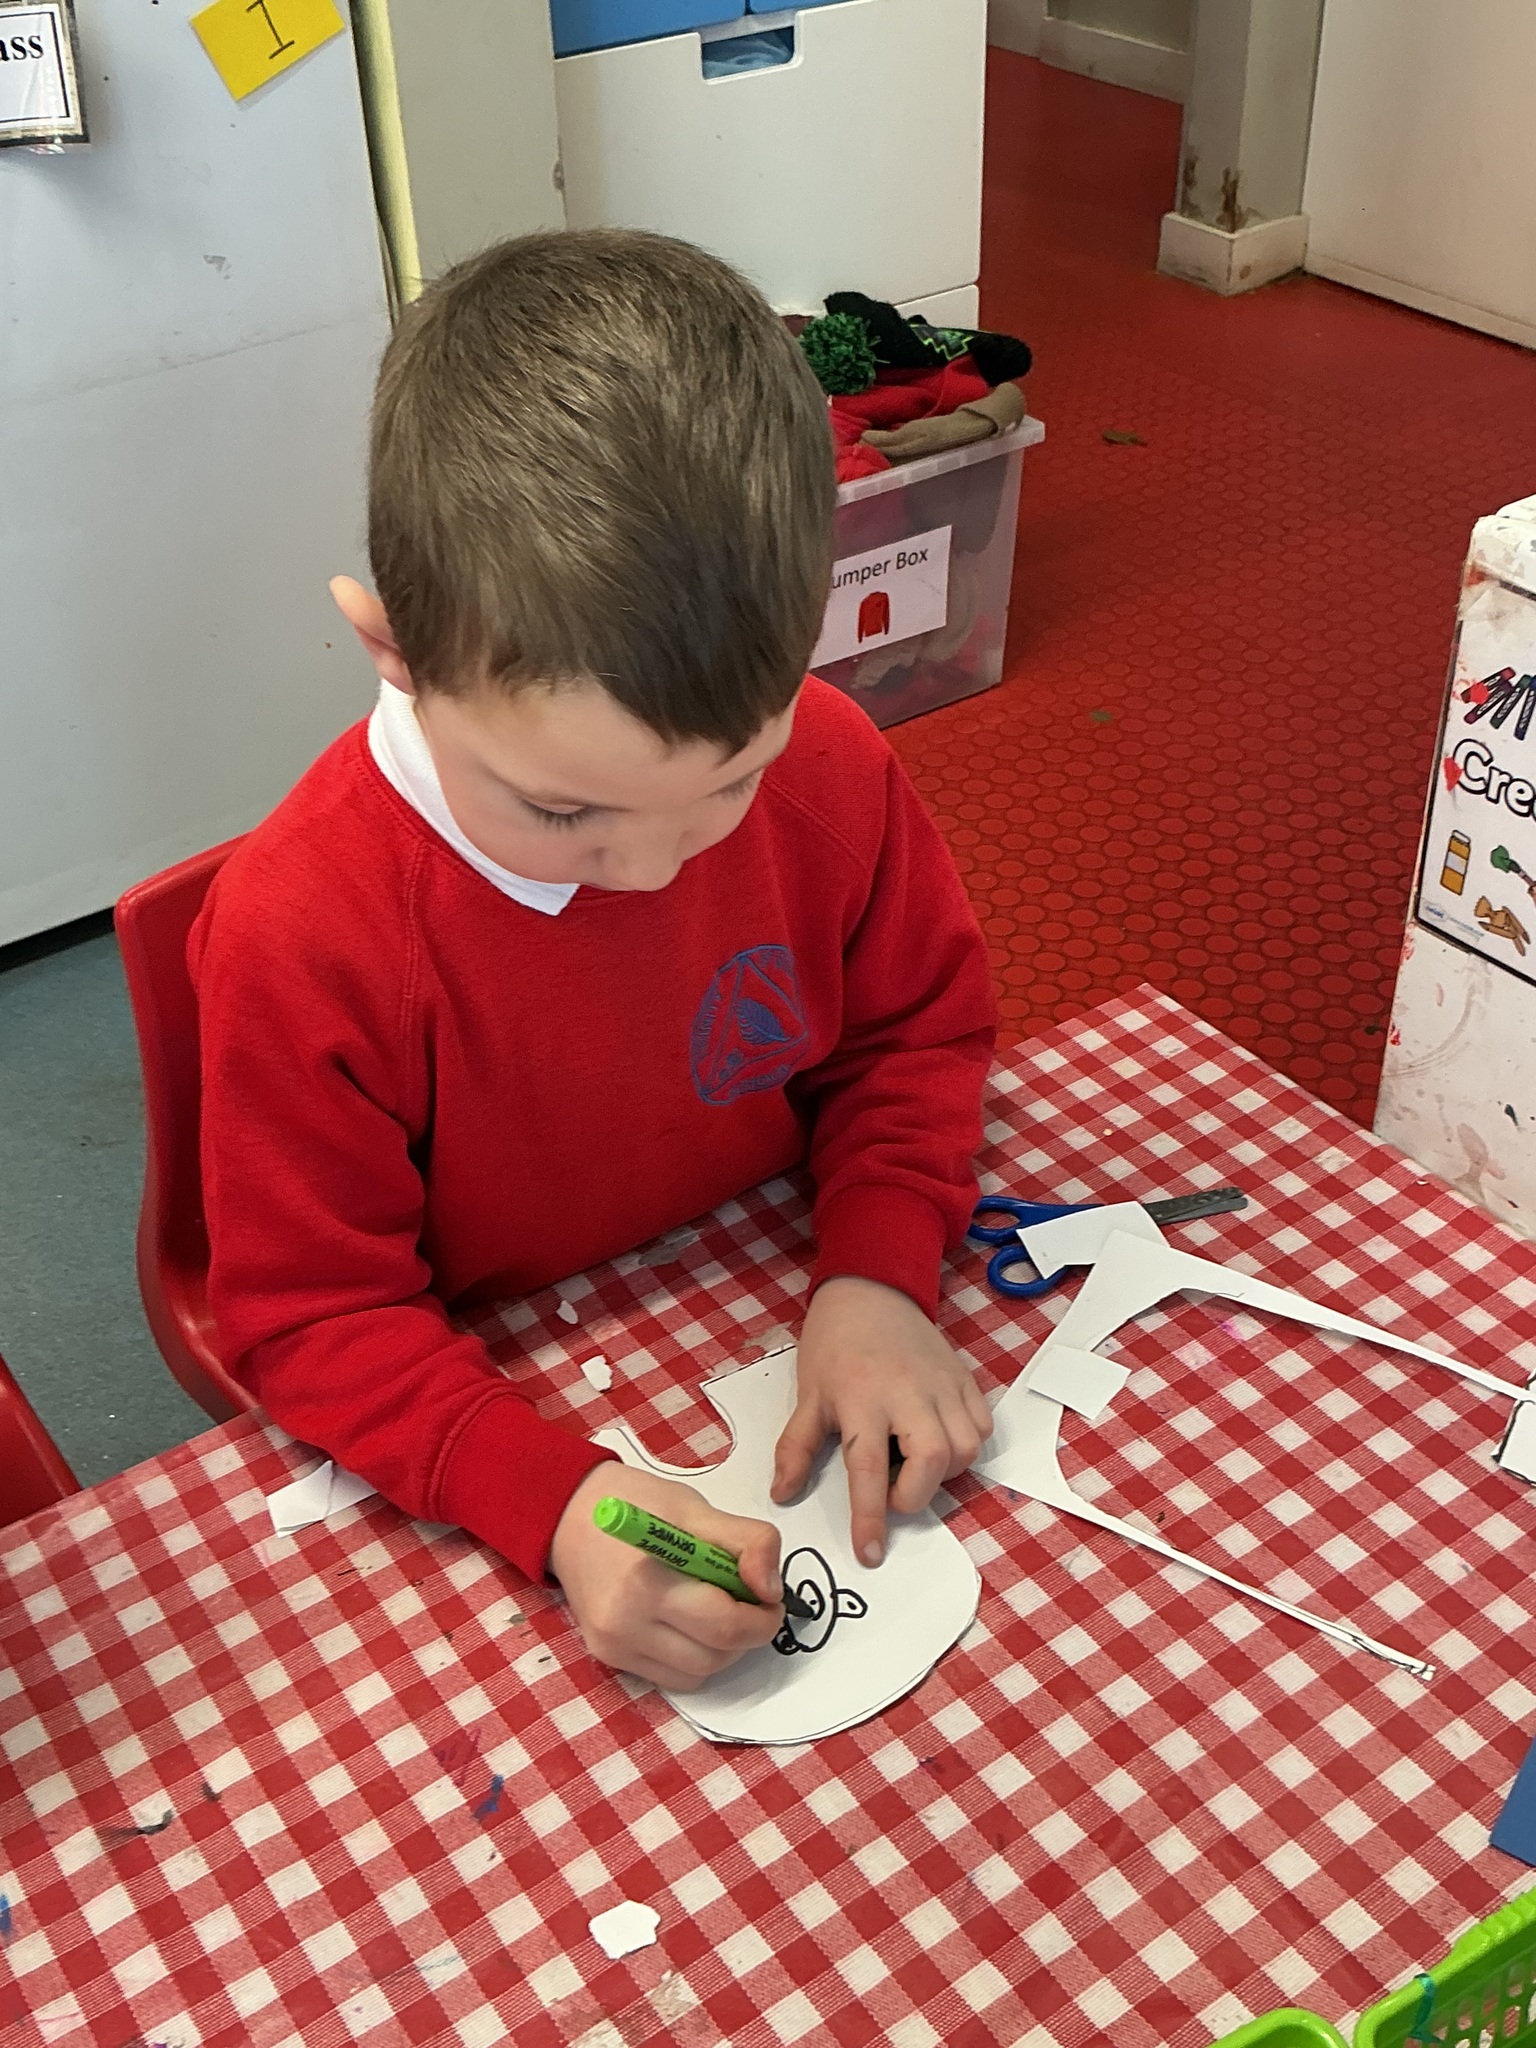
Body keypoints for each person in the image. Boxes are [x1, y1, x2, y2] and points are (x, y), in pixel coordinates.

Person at [190, 230, 997, 1695]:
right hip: (488, 1382)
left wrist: (880, 1274)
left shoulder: (832, 766)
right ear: (392, 649)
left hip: (736, 1284)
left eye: (729, 781)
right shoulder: (304, 930)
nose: (656, 869)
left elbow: (911, 1041)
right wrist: (554, 1502)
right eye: (564, 812)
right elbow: (312, 1313)